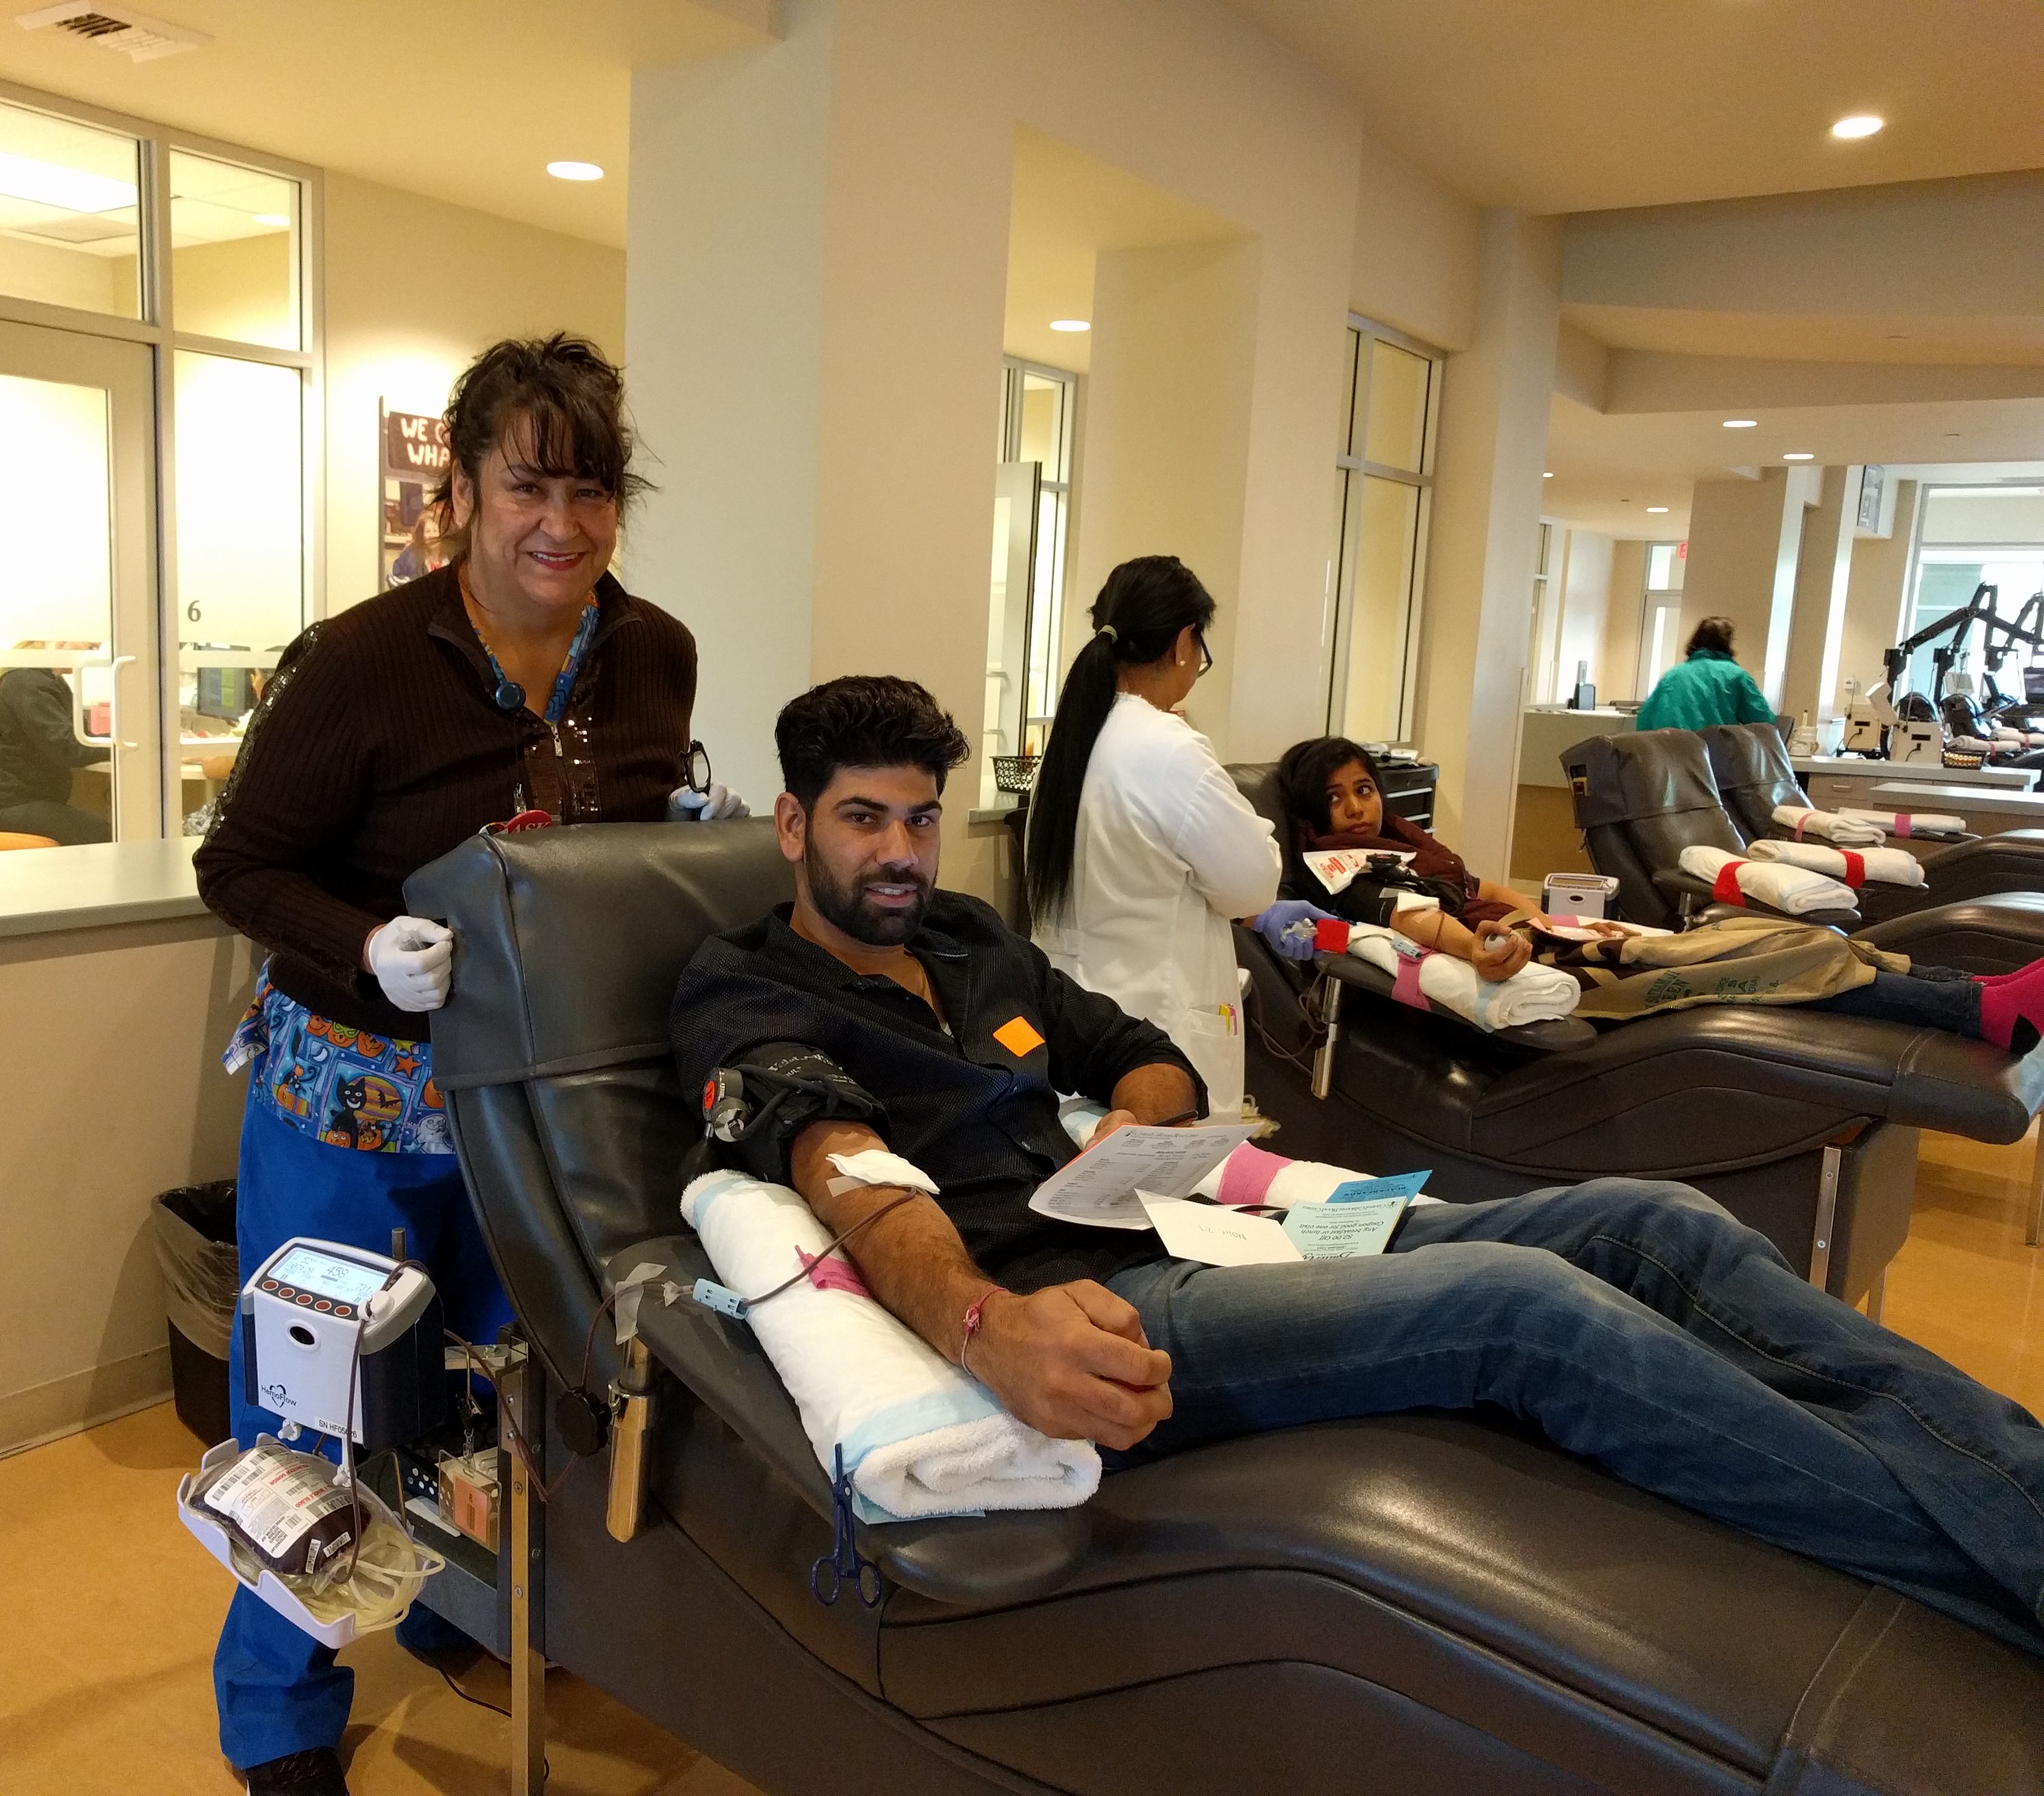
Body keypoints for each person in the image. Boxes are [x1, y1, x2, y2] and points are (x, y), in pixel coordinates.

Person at [672, 674, 2044, 1658]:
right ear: (794, 826)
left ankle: (2016, 1480)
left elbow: (1141, 1049)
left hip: (1197, 1236)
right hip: (1102, 1316)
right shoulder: (748, 991)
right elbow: (846, 1172)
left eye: (920, 820)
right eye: (864, 821)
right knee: (1529, 1316)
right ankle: (2015, 1564)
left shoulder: (970, 940)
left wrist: (1141, 1122)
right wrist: (988, 1326)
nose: (901, 854)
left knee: (1653, 1225)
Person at [195, 333, 743, 1796]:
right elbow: (238, 866)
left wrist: (683, 847)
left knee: (504, 1398)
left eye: (593, 489)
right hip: (355, 1105)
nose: (562, 523)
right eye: (528, 487)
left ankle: (458, 1603)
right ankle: (278, 1710)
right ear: (463, 494)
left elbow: (622, 848)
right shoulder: (362, 661)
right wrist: (364, 943)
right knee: (318, 1411)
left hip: (539, 1109)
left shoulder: (655, 652)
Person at [1272, 732, 2044, 1043]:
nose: (1358, 806)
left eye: (1363, 789)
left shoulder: (1404, 840)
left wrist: (1547, 916)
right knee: (1781, 966)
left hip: (1561, 943)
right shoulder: (1346, 868)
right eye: (1337, 799)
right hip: (1554, 974)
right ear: (1314, 816)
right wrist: (1490, 944)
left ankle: (1970, 989)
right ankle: (1976, 1013)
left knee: (1779, 935)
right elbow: (1420, 924)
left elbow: (1481, 886)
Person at [1023, 556, 1313, 1122]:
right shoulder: (1169, 746)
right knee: (1162, 1173)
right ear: (1184, 643)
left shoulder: (1072, 742)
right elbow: (1253, 883)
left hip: (1072, 1028)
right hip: (1153, 1041)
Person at [0, 641, 111, 845]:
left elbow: (73, 740)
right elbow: (68, 748)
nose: (93, 653)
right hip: (0, 804)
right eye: (90, 647)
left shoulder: (45, 682)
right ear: (61, 641)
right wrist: (118, 743)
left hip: (5, 799)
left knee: (99, 827)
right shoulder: (28, 683)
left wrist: (110, 741)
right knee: (104, 835)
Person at [1634, 615, 1777, 731]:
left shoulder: (1672, 675)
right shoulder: (1736, 676)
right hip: (1714, 755)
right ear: (1727, 643)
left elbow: (1645, 720)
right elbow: (1763, 723)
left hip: (1671, 755)